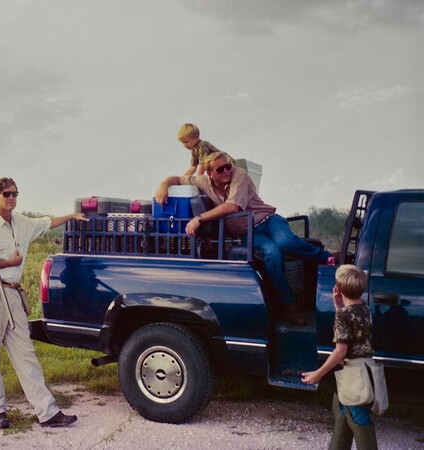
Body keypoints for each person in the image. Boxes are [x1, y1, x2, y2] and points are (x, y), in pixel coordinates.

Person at [155, 151, 331, 325]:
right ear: (210, 173)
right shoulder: (203, 181)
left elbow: (232, 207)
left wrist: (199, 218)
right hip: (248, 233)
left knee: (285, 242)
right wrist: (163, 185)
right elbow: (177, 179)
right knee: (272, 254)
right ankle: (289, 305)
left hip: (268, 220)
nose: (226, 171)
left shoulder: (239, 175)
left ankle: (328, 258)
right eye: (220, 169)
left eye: (227, 166)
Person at [0, 177, 88, 429]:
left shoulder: (21, 222)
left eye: (15, 194)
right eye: (7, 194)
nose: (11, 198)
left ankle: (48, 412)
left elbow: (46, 223)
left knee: (26, 354)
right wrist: (7, 263)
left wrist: (72, 216)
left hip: (12, 293)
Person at [301, 264, 378, 450]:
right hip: (365, 370)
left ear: (339, 288)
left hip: (353, 376)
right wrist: (338, 306)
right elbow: (351, 327)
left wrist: (318, 374)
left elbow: (340, 351)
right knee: (342, 414)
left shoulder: (343, 316)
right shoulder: (365, 308)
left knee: (359, 419)